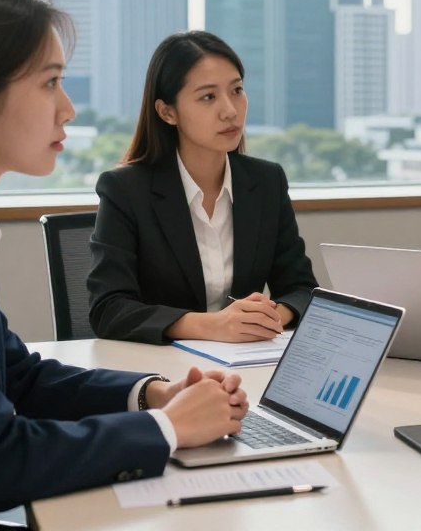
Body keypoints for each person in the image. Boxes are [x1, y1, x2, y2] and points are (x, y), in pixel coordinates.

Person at [0, 0, 248, 528]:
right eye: (50, 84)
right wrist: (169, 430)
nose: (67, 109)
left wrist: (155, 396)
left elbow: (18, 376)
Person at [88, 31, 318, 344]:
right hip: (163, 372)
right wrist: (211, 325)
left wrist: (270, 317)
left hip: (245, 364)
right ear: (167, 112)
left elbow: (302, 288)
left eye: (236, 90)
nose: (231, 110)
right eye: (208, 97)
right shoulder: (125, 190)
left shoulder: (266, 182)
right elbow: (109, 309)